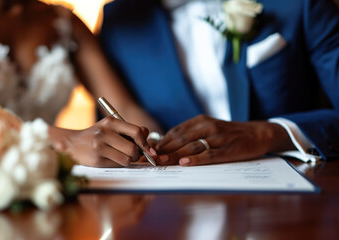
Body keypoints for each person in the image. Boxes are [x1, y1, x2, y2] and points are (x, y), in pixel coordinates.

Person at [0, 0, 162, 167]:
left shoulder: (65, 22)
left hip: (49, 186)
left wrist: (160, 143)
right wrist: (65, 142)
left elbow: (124, 108)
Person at [99, 0, 339, 166]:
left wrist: (268, 134)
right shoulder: (119, 21)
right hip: (173, 209)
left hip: (297, 195)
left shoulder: (300, 4)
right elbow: (110, 132)